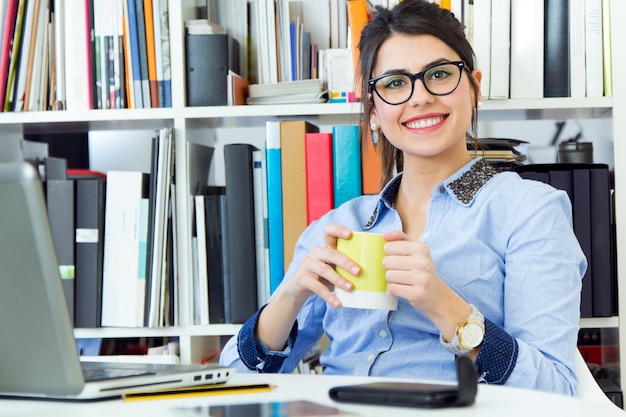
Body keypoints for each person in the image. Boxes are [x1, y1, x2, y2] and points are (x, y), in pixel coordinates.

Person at [220, 0, 586, 395]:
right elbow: (236, 379)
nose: (420, 97)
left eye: (440, 75)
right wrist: (290, 295)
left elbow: (555, 391)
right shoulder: (338, 226)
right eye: (395, 83)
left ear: (474, 86)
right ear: (373, 110)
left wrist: (447, 308)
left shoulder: (528, 211)